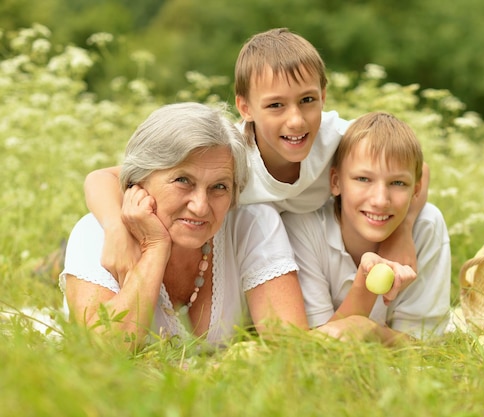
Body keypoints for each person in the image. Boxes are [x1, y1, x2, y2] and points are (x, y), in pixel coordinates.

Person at [82, 28, 428, 304]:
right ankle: (55, 261)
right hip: (248, 248)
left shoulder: (336, 138)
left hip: (304, 247)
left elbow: (415, 170)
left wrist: (402, 231)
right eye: (276, 105)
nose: (296, 120)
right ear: (245, 108)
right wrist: (114, 231)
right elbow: (102, 178)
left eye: (307, 100)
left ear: (323, 95)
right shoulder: (229, 155)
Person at [59, 103, 309, 348]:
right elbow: (101, 349)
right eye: (183, 181)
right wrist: (156, 248)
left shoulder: (253, 225)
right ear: (138, 180)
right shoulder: (94, 234)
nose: (201, 206)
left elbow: (290, 345)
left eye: (219, 186)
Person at [282, 112, 451, 345]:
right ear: (336, 182)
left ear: (416, 190)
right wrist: (365, 290)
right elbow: (316, 346)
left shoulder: (426, 226)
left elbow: (426, 345)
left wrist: (370, 331)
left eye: (398, 183)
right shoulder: (304, 227)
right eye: (363, 179)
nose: (380, 200)